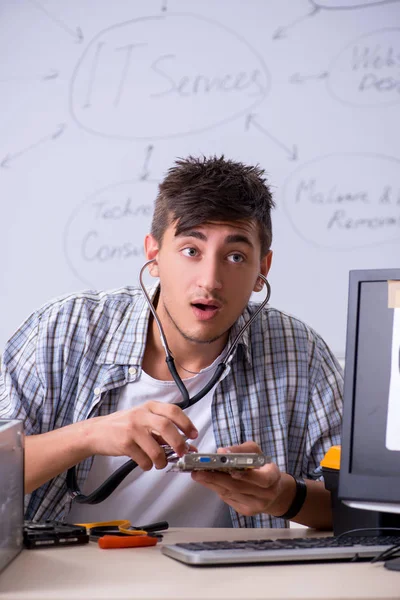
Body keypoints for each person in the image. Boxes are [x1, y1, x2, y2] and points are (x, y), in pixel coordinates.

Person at [0, 156, 343, 529]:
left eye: (235, 256)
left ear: (262, 270)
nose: (210, 280)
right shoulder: (65, 329)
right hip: (65, 578)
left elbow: (365, 507)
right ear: (154, 255)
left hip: (225, 583)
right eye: (191, 250)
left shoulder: (300, 353)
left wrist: (283, 497)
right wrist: (88, 435)